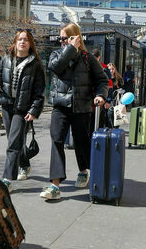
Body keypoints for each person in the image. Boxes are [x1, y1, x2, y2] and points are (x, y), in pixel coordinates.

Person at [41, 23, 108, 201]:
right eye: (61, 38)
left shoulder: (87, 58)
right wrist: (70, 48)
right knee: (56, 139)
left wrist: (101, 95)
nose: (62, 41)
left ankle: (83, 171)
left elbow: (102, 79)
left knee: (81, 141)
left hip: (82, 106)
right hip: (60, 105)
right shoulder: (57, 54)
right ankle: (55, 184)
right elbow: (56, 67)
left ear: (75, 37)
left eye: (66, 38)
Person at [0, 29, 45, 190]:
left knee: (13, 143)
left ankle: (7, 179)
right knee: (14, 140)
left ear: (30, 44)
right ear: (15, 42)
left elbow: (39, 91)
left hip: (23, 109)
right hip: (7, 105)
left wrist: (34, 110)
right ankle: (24, 163)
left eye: (26, 40)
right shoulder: (6, 60)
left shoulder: (35, 64)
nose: (23, 42)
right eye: (20, 39)